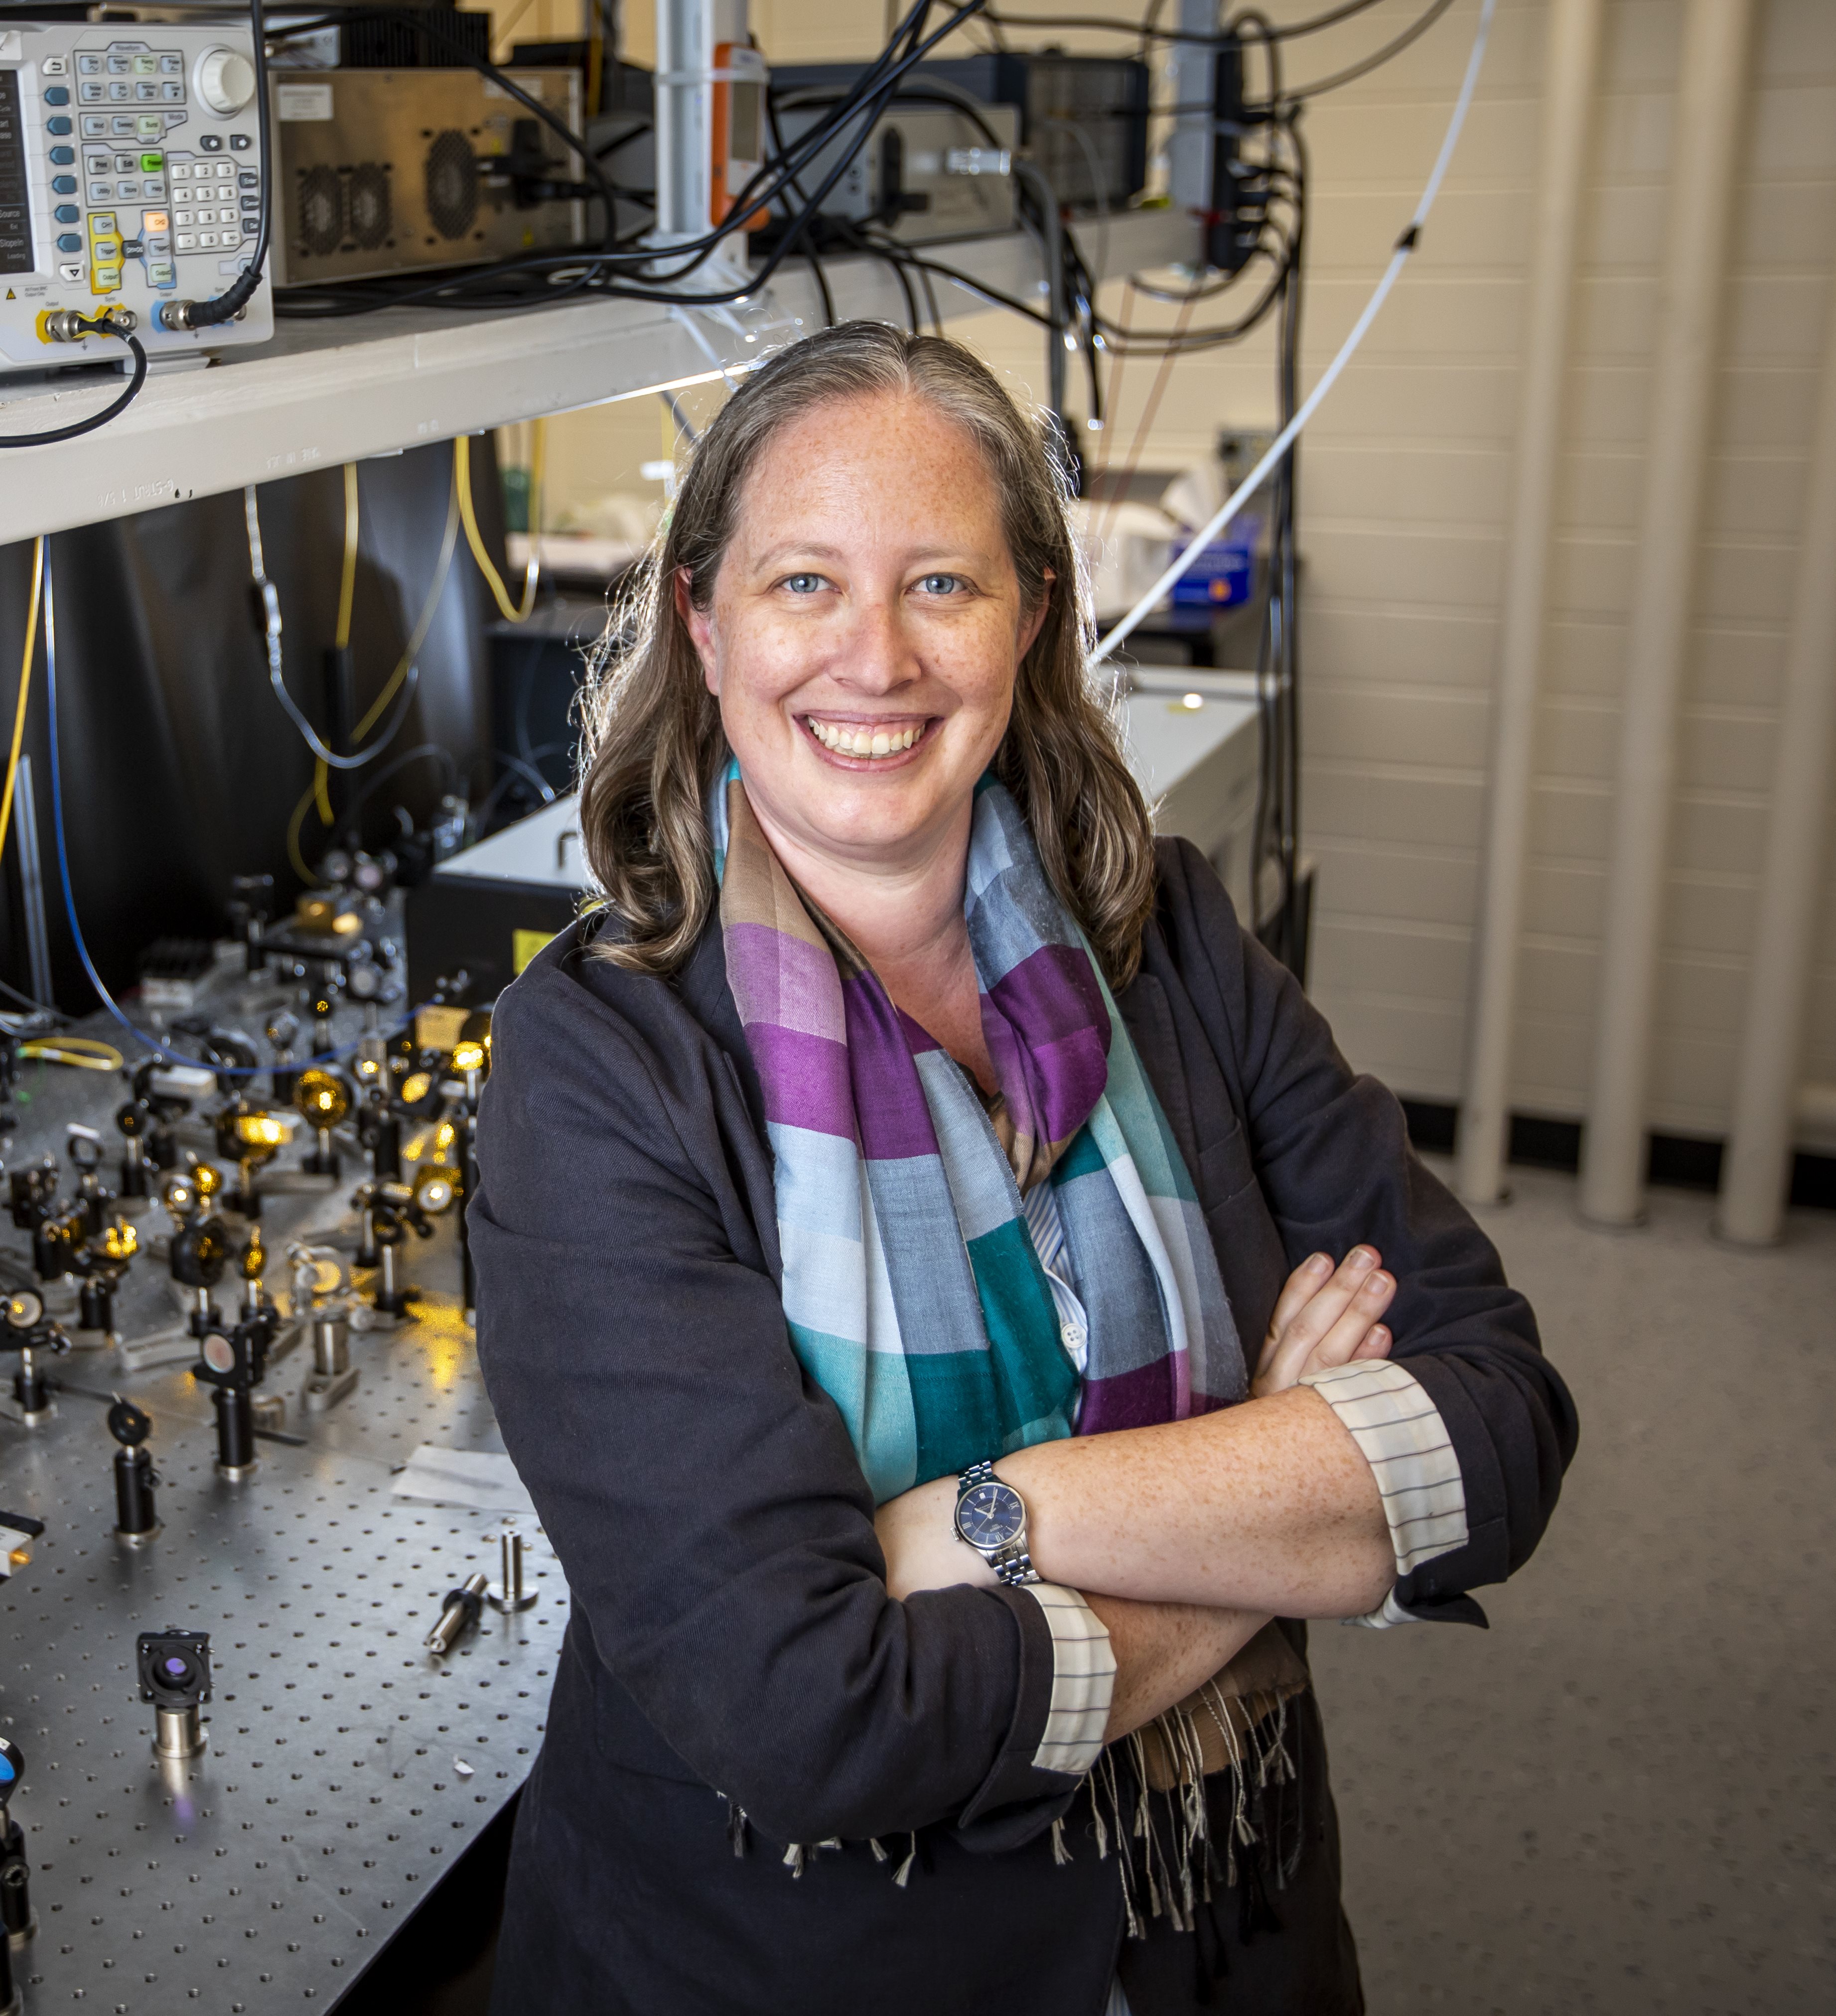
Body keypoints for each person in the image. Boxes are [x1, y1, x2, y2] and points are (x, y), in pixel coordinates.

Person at [470, 322, 1578, 2016]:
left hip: (1228, 1937)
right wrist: (1276, 1515)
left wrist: (994, 1522)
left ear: (1032, 617)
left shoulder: (1177, 945)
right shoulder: (604, 1065)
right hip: (786, 1966)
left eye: (941, 584)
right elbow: (815, 1715)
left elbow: (1499, 1426)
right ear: (701, 622)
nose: (875, 657)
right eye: (802, 586)